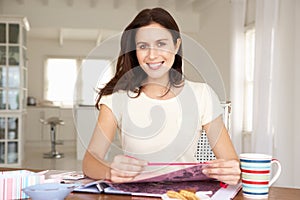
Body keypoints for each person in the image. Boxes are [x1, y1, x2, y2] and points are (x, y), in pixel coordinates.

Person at [82, 7, 241, 185]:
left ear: (176, 45)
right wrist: (110, 171)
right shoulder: (117, 98)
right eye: (143, 46)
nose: (152, 55)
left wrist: (231, 172)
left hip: (186, 194)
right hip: (137, 194)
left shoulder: (202, 94)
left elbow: (231, 162)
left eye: (161, 44)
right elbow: (90, 160)